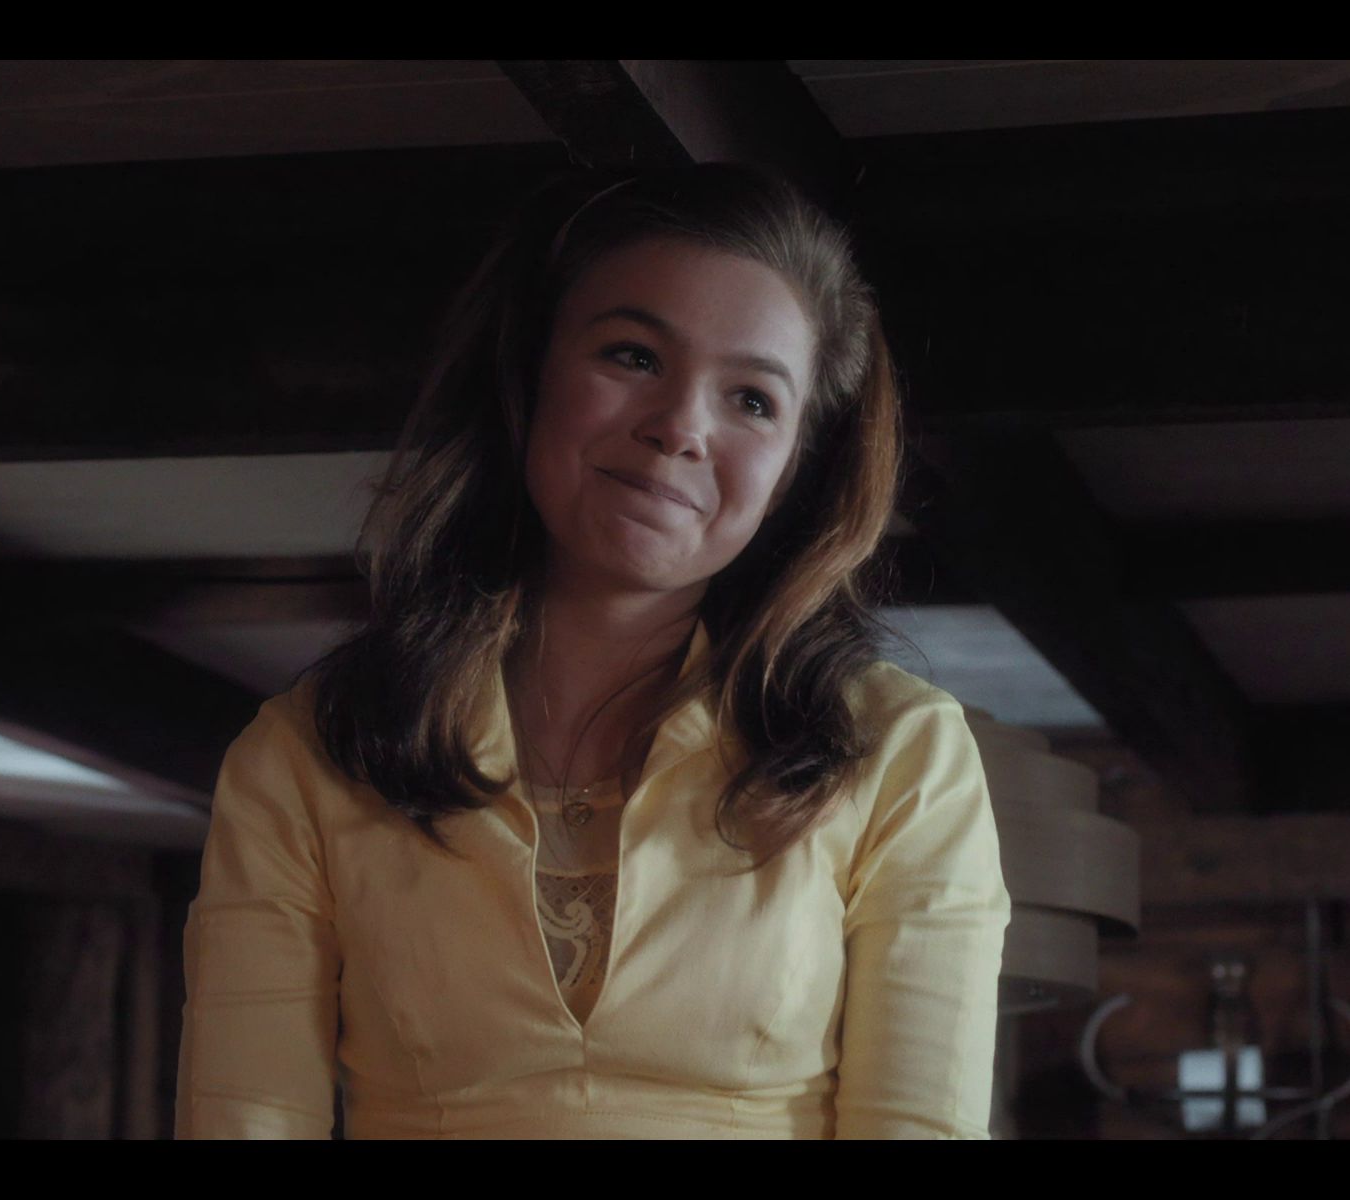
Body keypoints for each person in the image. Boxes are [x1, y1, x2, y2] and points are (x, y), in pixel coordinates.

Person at [174, 164, 1012, 1139]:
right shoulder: (305, 754)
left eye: (752, 400)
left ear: (796, 470)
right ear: (529, 374)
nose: (681, 428)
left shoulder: (903, 754)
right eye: (634, 355)